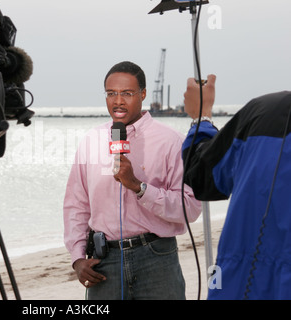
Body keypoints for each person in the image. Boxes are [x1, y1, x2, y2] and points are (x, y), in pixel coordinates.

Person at [63, 61, 202, 300]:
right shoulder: (91, 141)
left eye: (127, 93)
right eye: (111, 94)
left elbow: (190, 209)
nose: (118, 101)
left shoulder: (171, 141)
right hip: (103, 262)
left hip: (156, 258)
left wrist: (139, 187)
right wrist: (77, 258)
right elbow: (76, 204)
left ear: (143, 94)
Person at [182, 75, 291, 300]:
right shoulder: (263, 113)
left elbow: (202, 175)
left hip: (247, 281)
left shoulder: (264, 112)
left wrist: (200, 118)